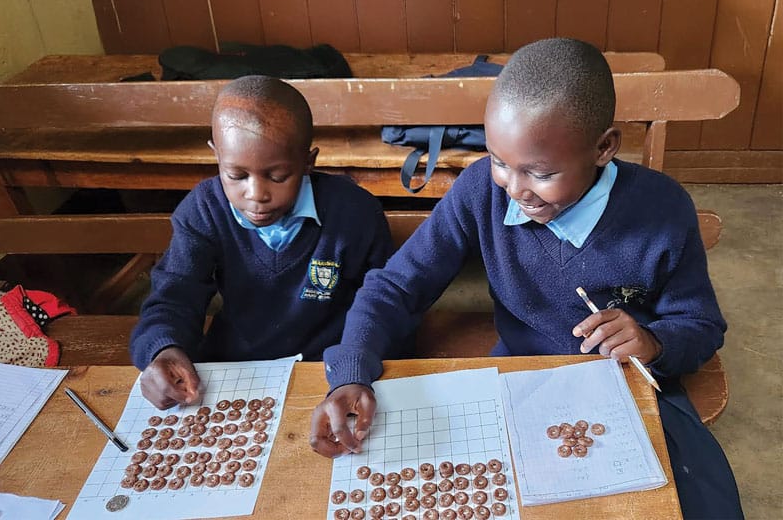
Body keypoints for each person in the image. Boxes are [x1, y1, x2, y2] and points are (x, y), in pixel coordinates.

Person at [309, 38, 743, 519]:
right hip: (522, 375)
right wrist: (349, 370)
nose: (516, 191)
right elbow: (397, 286)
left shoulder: (661, 210)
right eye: (498, 160)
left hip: (630, 382)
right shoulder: (482, 191)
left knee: (689, 501)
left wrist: (653, 342)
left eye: (540, 172)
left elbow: (700, 323)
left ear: (603, 147)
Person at [130, 75, 395, 411]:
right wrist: (162, 348)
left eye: (277, 176)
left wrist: (355, 365)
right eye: (236, 176)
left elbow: (383, 301)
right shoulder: (204, 211)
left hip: (332, 368)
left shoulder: (354, 212)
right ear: (217, 157)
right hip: (238, 366)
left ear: (307, 161)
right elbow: (174, 296)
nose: (256, 196)